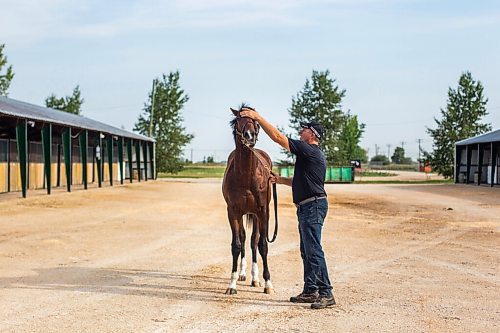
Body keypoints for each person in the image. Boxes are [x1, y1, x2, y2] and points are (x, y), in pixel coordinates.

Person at [240, 107, 335, 310]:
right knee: (306, 250)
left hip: (313, 206)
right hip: (308, 206)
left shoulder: (309, 150)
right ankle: (311, 289)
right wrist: (280, 180)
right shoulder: (309, 156)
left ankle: (326, 292)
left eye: (304, 130)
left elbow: (277, 137)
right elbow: (302, 181)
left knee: (314, 250)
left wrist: (257, 117)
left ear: (312, 134)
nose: (300, 132)